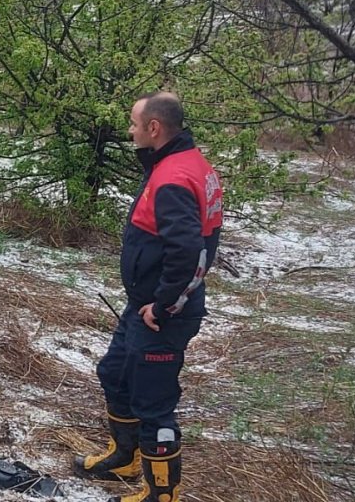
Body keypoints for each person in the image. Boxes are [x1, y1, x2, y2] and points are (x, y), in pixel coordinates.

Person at [74, 92, 222, 502]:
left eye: (134, 123)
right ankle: (125, 457)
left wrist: (164, 304)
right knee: (114, 373)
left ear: (153, 128)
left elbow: (192, 251)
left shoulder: (175, 177)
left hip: (163, 312)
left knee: (153, 404)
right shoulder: (181, 164)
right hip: (143, 304)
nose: (130, 129)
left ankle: (162, 493)